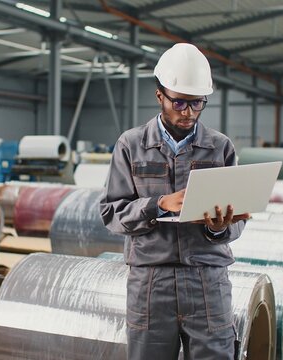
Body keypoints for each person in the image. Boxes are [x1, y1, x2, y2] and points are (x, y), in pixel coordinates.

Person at [100, 43, 249, 360]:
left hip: (207, 280)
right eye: (179, 103)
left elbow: (238, 221)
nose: (188, 113)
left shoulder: (220, 148)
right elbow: (111, 212)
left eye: (197, 104)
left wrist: (219, 229)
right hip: (152, 280)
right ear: (159, 96)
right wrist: (159, 204)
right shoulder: (131, 145)